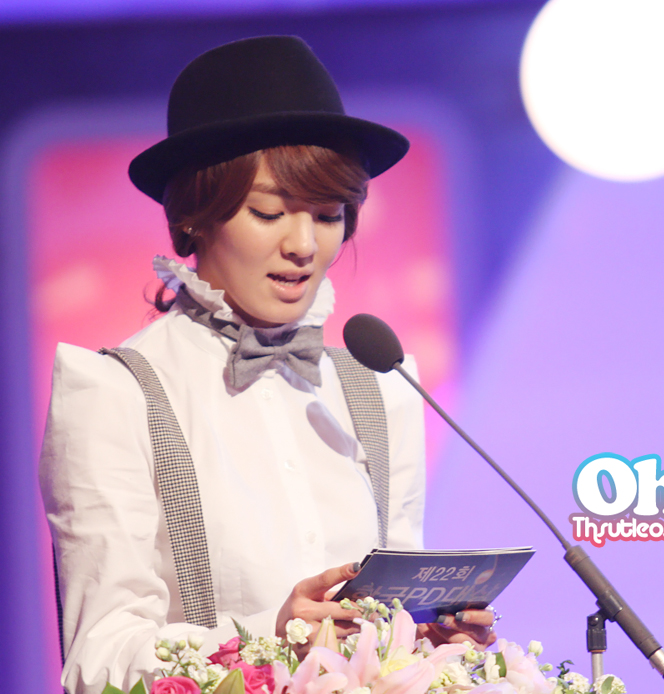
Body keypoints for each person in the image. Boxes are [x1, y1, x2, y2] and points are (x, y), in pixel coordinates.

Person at [39, 36, 493, 694]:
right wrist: (269, 639)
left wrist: (427, 642)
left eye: (328, 215)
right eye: (269, 212)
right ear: (192, 215)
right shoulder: (116, 393)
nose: (303, 244)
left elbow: (387, 630)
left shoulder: (379, 389)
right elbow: (97, 658)